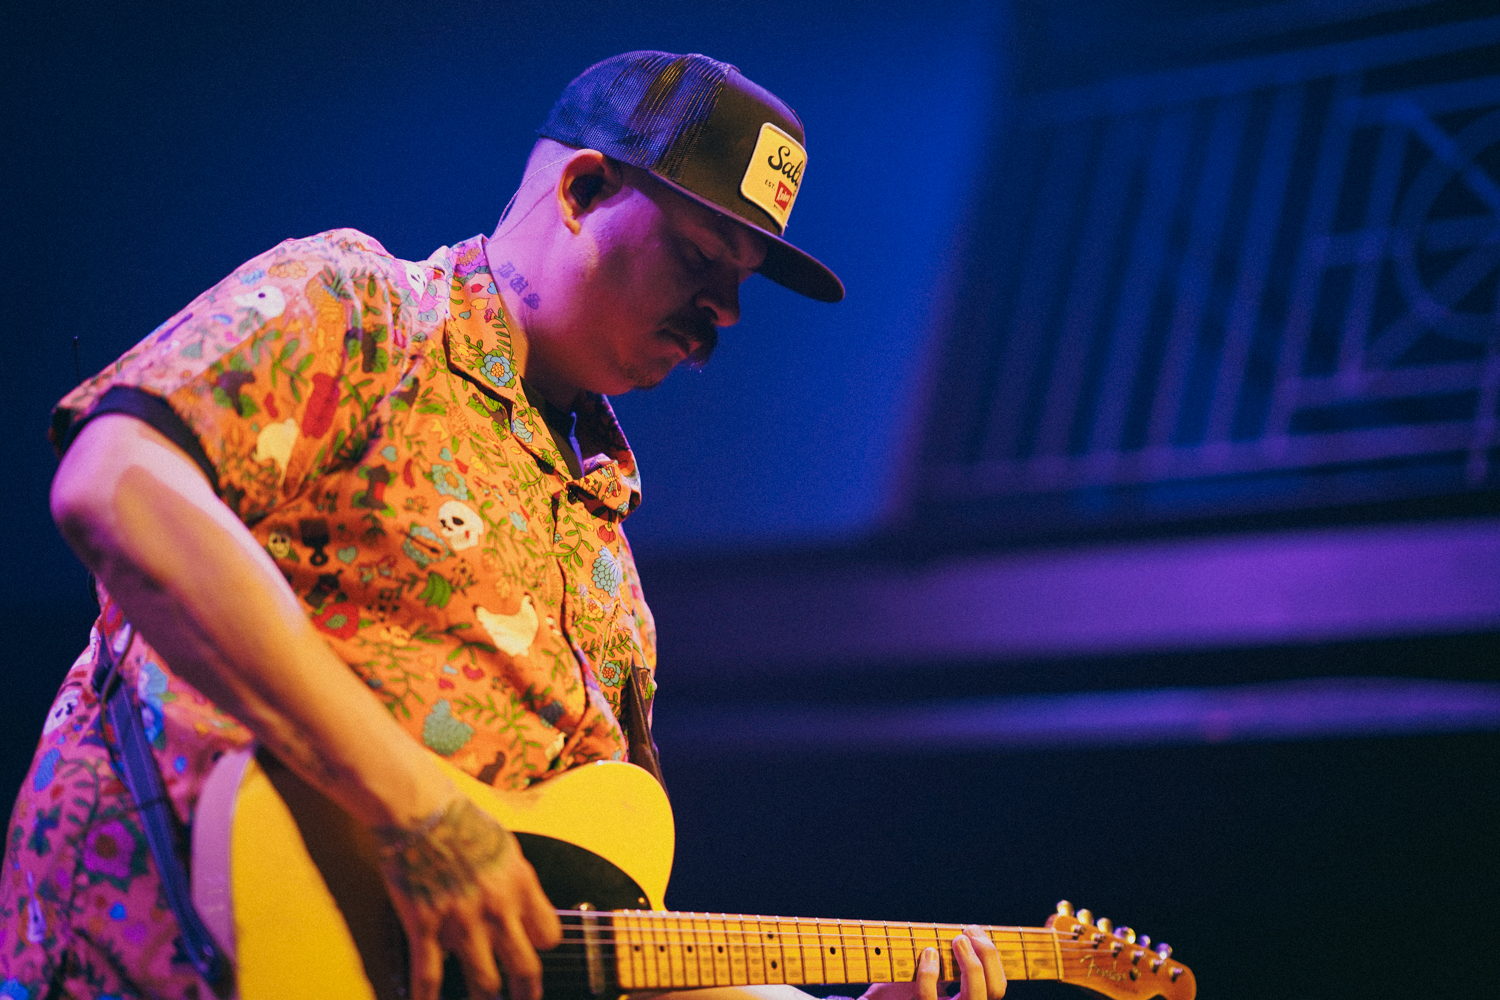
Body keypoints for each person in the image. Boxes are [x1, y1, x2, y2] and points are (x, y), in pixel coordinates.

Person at [1, 50, 1006, 1000]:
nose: (725, 313)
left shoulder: (611, 573)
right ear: (582, 189)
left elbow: (598, 935)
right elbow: (116, 486)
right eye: (701, 259)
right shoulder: (366, 311)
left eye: (738, 285)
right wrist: (420, 810)